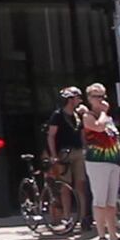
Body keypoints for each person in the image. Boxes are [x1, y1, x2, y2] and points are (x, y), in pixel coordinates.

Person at [78, 84, 120, 240]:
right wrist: (104, 112)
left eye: (103, 96)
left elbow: (115, 139)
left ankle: (113, 233)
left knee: (111, 200)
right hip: (97, 161)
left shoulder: (108, 118)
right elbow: (97, 128)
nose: (102, 100)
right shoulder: (88, 116)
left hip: (113, 160)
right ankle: (101, 234)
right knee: (100, 199)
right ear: (90, 98)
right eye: (97, 96)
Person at [46, 87, 87, 227]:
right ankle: (67, 217)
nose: (80, 101)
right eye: (77, 98)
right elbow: (51, 135)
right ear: (70, 99)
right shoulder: (58, 115)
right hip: (63, 152)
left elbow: (82, 134)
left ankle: (83, 218)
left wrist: (85, 147)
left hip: (78, 151)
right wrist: (53, 155)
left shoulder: (78, 115)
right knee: (65, 186)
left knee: (80, 184)